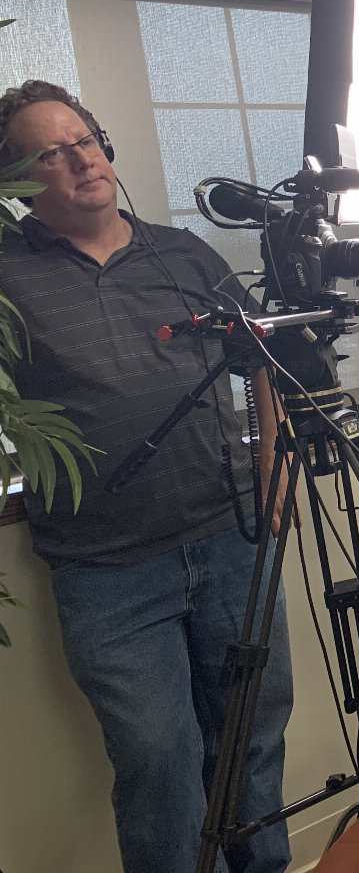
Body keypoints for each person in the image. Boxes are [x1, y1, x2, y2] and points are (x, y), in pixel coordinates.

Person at [0, 80, 292, 873]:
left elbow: (258, 357)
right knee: (158, 764)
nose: (81, 161)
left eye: (85, 141)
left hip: (231, 539)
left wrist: (271, 460)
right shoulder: (7, 277)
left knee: (252, 739)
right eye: (51, 154)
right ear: (17, 181)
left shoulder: (184, 253)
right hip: (107, 570)